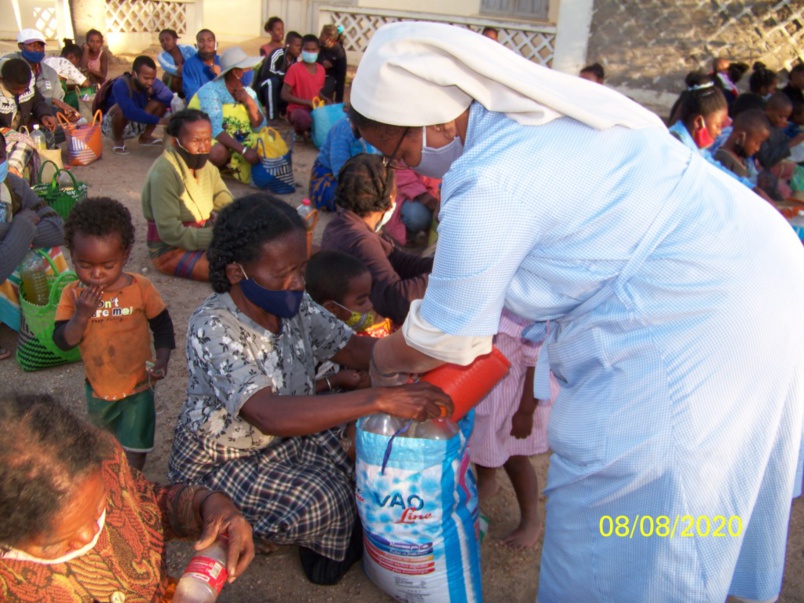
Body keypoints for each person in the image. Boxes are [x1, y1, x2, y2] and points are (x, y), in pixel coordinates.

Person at [351, 22, 804, 603]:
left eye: (398, 151)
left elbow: (448, 334)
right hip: (754, 272)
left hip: (695, 317)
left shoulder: (492, 174)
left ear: (435, 120)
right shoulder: (548, 118)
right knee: (703, 491)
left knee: (627, 520)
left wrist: (383, 359)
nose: (398, 166)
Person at [166, 194, 451, 586]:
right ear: (235, 272)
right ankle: (274, 535)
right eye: (283, 273)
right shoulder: (213, 326)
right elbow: (267, 414)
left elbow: (352, 349)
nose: (298, 283)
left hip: (282, 436)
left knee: (361, 458)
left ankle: (310, 521)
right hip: (224, 457)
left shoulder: (294, 304)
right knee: (324, 499)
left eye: (301, 268)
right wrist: (381, 397)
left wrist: (425, 353)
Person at [0, 391, 255, 602]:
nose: (89, 535)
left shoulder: (105, 464)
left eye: (99, 508)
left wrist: (206, 504)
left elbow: (147, 505)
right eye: (55, 544)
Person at [53, 197, 175, 471]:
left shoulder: (140, 288)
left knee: (135, 452)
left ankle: (131, 488)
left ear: (125, 255)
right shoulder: (73, 295)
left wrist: (163, 359)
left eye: (108, 266)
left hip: (138, 387)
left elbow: (162, 325)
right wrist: (81, 315)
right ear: (72, 255)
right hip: (99, 390)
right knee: (102, 450)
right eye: (85, 265)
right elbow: (63, 342)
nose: (96, 274)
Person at [470, 309, 557, 550]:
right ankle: (487, 482)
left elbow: (538, 365)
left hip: (515, 399)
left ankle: (531, 520)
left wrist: (525, 412)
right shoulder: (490, 296)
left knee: (514, 457)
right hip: (487, 391)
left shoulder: (530, 309)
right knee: (482, 439)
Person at [320, 154, 433, 326]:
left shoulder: (341, 225)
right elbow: (396, 301)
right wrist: (444, 279)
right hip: (362, 326)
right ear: (389, 200)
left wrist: (439, 268)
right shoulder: (361, 241)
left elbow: (400, 260)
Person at [142, 109, 233, 281]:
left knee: (258, 255)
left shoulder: (207, 167)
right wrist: (218, 238)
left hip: (204, 236)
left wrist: (244, 219)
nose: (203, 147)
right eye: (195, 141)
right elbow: (170, 232)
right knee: (238, 272)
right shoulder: (164, 172)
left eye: (207, 140)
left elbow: (225, 200)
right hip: (171, 250)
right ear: (175, 142)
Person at [0, 131, 65, 359]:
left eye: (0, 157)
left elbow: (58, 228)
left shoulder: (13, 185)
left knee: (48, 251)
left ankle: (46, 319)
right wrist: (20, 227)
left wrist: (13, 233)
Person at [668, 73, 771, 200]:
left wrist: (751, 189)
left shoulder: (697, 149)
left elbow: (716, 170)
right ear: (698, 122)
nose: (719, 132)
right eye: (718, 125)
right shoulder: (677, 149)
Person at [305, 250, 381, 394]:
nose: (369, 305)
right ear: (332, 308)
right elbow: (296, 394)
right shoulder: (310, 343)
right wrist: (334, 380)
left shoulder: (344, 329)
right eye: (361, 301)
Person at [189, 47, 265, 184]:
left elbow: (259, 127)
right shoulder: (211, 91)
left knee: (266, 145)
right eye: (246, 68)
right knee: (218, 153)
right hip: (204, 136)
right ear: (236, 72)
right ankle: (202, 169)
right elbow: (214, 129)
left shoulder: (249, 93)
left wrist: (250, 102)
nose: (250, 71)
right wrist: (244, 151)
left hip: (236, 135)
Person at [2, 28, 79, 125]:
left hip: (41, 116)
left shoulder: (50, 72)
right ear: (20, 46)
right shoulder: (9, 65)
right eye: (32, 45)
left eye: (40, 45)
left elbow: (37, 100)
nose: (37, 49)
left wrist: (60, 112)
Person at [309, 107, 379, 211]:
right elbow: (340, 172)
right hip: (332, 177)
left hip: (361, 178)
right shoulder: (342, 130)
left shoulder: (375, 130)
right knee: (350, 200)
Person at [100, 55, 172, 155]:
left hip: (136, 122)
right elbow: (129, 112)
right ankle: (118, 142)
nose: (150, 82)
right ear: (134, 74)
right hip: (112, 126)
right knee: (120, 108)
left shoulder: (152, 84)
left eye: (153, 78)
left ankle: (145, 137)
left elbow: (170, 99)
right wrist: (160, 120)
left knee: (160, 103)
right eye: (146, 78)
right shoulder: (120, 85)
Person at [0, 59, 56, 176]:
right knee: (25, 144)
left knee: (46, 135)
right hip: (3, 136)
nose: (21, 92)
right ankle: (11, 175)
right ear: (2, 80)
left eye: (24, 89)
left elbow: (37, 101)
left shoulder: (28, 85)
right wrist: (8, 132)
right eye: (15, 89)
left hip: (19, 133)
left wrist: (44, 115)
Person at [281, 34, 325, 139]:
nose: (310, 52)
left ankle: (311, 131)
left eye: (313, 50)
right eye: (307, 50)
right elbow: (284, 95)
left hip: (315, 109)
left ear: (318, 50)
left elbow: (316, 90)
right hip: (297, 110)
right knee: (302, 118)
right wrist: (307, 102)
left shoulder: (321, 69)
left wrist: (325, 99)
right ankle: (300, 132)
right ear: (301, 50)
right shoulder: (294, 69)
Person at [253, 30, 302, 119]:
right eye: (297, 46)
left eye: (301, 46)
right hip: (262, 87)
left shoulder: (296, 60)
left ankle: (286, 112)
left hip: (278, 90)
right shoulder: (278, 53)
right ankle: (272, 117)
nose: (300, 49)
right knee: (272, 81)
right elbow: (266, 73)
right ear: (287, 44)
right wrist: (285, 76)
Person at [713, 109, 771, 182]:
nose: (757, 149)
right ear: (741, 137)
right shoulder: (724, 159)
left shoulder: (743, 161)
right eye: (757, 143)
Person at [182, 29, 221, 101]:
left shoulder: (222, 61)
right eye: (201, 41)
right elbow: (191, 93)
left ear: (216, 44)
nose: (205, 44)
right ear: (196, 45)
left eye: (209, 40)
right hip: (200, 103)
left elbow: (231, 89)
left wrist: (220, 75)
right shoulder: (190, 64)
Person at [157, 28, 196, 95]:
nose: (165, 43)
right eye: (162, 41)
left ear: (175, 40)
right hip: (178, 78)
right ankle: (176, 96)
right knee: (167, 76)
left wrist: (186, 68)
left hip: (193, 74)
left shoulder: (188, 48)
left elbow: (199, 59)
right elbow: (171, 69)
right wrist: (182, 70)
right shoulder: (161, 56)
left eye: (167, 39)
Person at [318, 24, 347, 103]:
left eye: (322, 35)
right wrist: (321, 62)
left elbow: (341, 77)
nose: (319, 37)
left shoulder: (339, 52)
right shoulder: (319, 46)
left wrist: (339, 100)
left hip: (331, 79)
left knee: (320, 93)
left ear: (329, 39)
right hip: (317, 75)